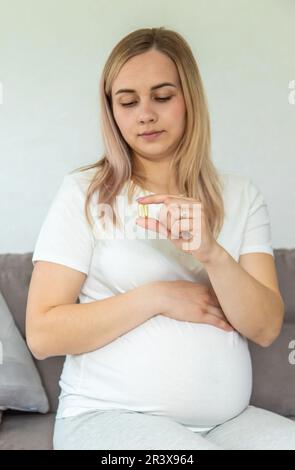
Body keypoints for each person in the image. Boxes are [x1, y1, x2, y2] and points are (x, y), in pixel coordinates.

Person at [26, 27, 295, 450]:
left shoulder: (241, 194)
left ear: (190, 99)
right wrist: (157, 297)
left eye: (163, 97)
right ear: (111, 111)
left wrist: (212, 254)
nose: (145, 114)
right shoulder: (85, 193)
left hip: (229, 423)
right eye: (128, 102)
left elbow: (264, 328)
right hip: (105, 416)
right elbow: (42, 334)